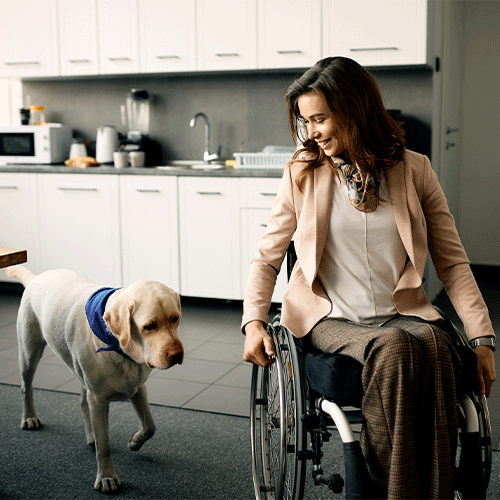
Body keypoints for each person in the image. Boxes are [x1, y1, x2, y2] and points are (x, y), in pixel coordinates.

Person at [242, 56, 496, 499]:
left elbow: (452, 262)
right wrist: (253, 321)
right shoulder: (302, 174)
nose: (312, 132)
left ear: (355, 110)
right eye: (305, 122)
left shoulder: (414, 170)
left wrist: (482, 338)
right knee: (396, 347)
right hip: (330, 318)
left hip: (398, 311)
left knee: (436, 343)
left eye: (319, 118)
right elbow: (267, 258)